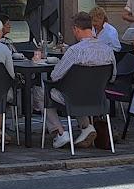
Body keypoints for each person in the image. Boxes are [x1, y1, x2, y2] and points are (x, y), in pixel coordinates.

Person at [44, 11, 116, 149]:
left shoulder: (74, 51)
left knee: (43, 93)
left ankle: (60, 133)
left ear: (76, 29)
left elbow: (55, 76)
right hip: (98, 97)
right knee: (76, 90)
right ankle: (86, 127)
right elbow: (113, 76)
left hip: (73, 98)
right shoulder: (108, 50)